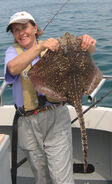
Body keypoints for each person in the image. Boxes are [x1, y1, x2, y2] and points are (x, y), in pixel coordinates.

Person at [4, 11, 96, 184]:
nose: (21, 32)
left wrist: (88, 43)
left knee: (61, 178)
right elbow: (13, 69)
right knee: (41, 177)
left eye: (24, 27)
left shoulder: (53, 47)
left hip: (56, 117)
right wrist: (38, 48)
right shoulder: (12, 52)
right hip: (28, 121)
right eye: (16, 30)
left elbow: (86, 53)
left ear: (35, 28)